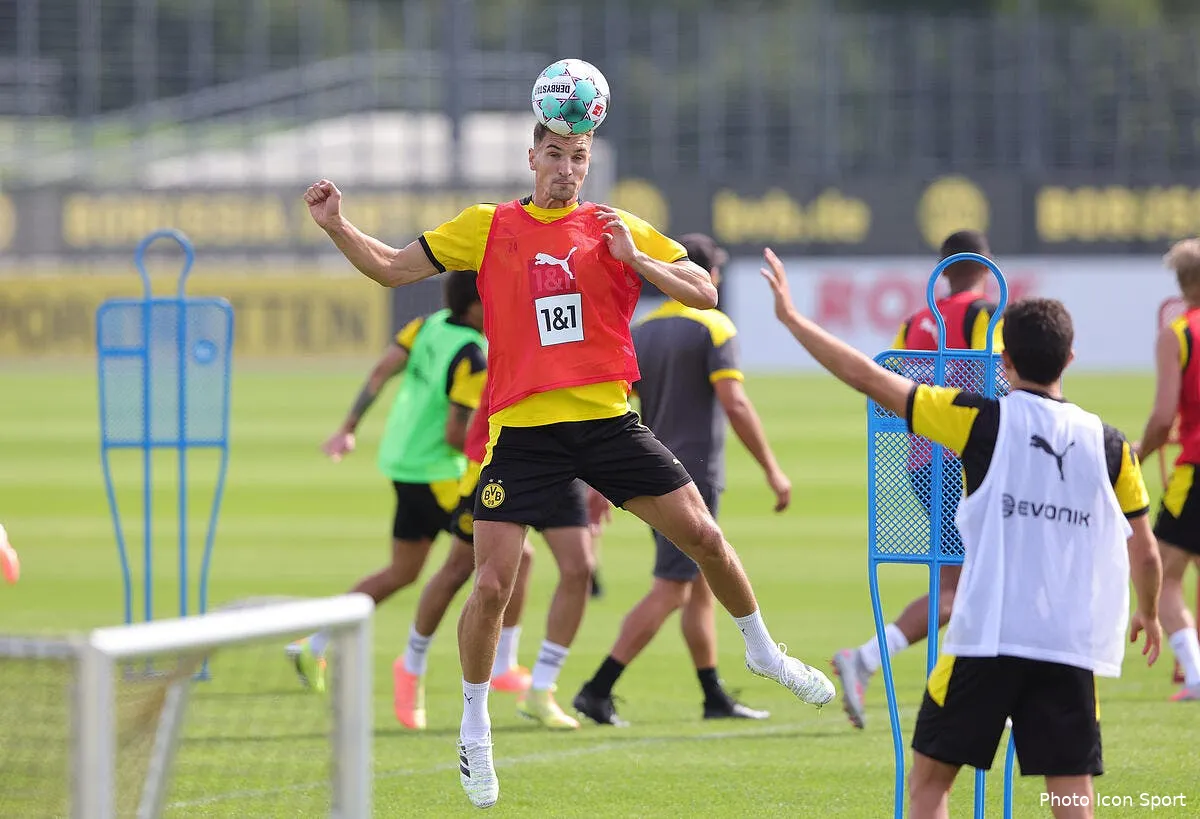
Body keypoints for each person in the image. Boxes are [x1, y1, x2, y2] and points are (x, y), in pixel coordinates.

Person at [303, 121, 835, 810]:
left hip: (607, 423)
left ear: (587, 164)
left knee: (705, 535)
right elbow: (390, 267)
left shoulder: (615, 225)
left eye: (578, 156)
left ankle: (763, 652)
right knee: (491, 583)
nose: (566, 167)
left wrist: (636, 260)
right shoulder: (488, 225)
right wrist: (337, 225)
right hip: (523, 435)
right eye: (554, 154)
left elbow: (703, 290)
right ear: (532, 157)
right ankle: (474, 727)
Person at [760, 249, 1162, 819]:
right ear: (1070, 357)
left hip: (987, 638)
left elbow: (867, 376)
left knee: (929, 786)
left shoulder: (979, 420)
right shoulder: (1112, 446)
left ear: (1004, 362)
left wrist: (792, 319)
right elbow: (1146, 553)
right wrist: (1149, 612)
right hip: (1067, 644)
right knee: (1072, 796)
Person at [574, 232, 787, 726]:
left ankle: (712, 695)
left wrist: (601, 481)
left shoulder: (642, 330)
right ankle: (597, 688)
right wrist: (772, 469)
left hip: (644, 465)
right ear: (707, 275)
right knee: (672, 586)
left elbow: (617, 404)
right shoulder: (713, 326)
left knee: (698, 584)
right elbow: (734, 403)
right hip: (692, 474)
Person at [831, 229, 1005, 729]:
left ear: (943, 268)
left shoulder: (915, 321)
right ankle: (874, 661)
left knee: (964, 585)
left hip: (923, 462)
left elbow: (893, 386)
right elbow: (993, 379)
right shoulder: (983, 314)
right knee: (969, 585)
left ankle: (877, 662)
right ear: (986, 265)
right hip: (966, 460)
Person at [286, 271, 486, 692]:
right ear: (474, 306)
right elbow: (455, 435)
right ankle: (501, 668)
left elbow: (380, 372)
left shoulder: (426, 325)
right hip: (439, 473)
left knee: (403, 571)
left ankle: (314, 642)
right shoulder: (472, 355)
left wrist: (348, 428)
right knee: (513, 554)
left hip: (403, 463)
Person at [394, 380, 601, 731]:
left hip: (563, 462)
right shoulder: (513, 347)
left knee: (579, 568)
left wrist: (600, 473)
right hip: (500, 459)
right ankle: (411, 666)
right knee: (461, 569)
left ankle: (540, 688)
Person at [1133, 238, 1200, 702]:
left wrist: (1138, 453)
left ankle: (1195, 673)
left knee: (1163, 573)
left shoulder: (1178, 334)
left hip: (1196, 466)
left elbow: (1161, 420)